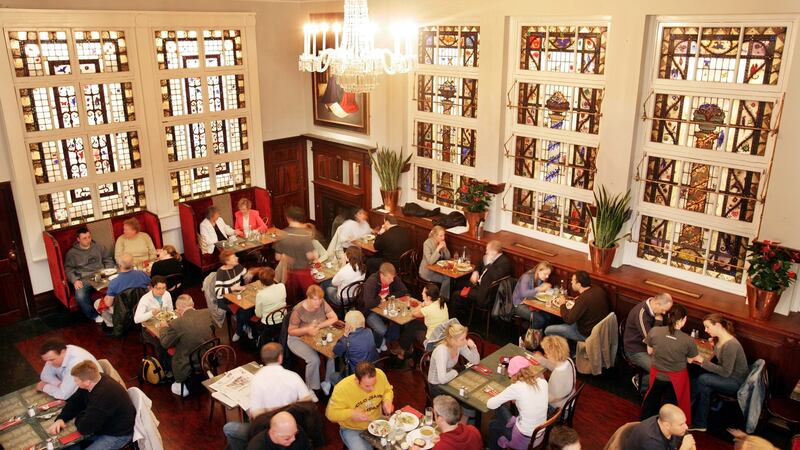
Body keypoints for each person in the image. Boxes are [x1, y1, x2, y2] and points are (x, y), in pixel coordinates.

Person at [224, 343, 315, 450]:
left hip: (265, 428)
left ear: (263, 359)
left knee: (229, 428)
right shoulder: (294, 377)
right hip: (291, 423)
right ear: (280, 358)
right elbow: (308, 402)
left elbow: (256, 415)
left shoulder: (257, 379)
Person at [47, 360, 136, 450]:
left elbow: (85, 428)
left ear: (87, 382)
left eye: (76, 380)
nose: (74, 382)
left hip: (117, 434)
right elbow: (75, 401)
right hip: (103, 426)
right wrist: (62, 418)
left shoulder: (103, 397)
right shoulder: (95, 379)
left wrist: (80, 416)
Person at [690, 313, 749, 432]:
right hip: (728, 376)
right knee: (702, 385)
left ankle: (688, 409)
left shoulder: (731, 345)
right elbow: (721, 359)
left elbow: (725, 372)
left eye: (707, 327)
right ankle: (699, 422)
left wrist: (702, 361)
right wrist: (713, 345)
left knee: (702, 379)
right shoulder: (721, 339)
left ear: (717, 325)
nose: (706, 330)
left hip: (735, 382)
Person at [641, 304, 698, 422]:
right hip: (676, 378)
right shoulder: (688, 340)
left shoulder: (655, 331)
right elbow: (690, 360)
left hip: (657, 374)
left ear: (668, 316)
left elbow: (650, 351)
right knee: (671, 405)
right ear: (683, 320)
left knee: (652, 399)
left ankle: (645, 422)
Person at [326, 361, 394, 450]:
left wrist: (387, 400)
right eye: (367, 386)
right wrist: (351, 413)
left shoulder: (380, 374)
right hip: (353, 429)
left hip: (377, 421)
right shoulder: (342, 388)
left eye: (374, 384)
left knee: (397, 441)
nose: (372, 389)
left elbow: (387, 390)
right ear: (357, 380)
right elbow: (330, 414)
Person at [487, 356, 549, 450]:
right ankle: (510, 422)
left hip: (523, 441)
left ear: (514, 374)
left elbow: (490, 404)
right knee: (501, 407)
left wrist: (501, 397)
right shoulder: (543, 382)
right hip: (539, 436)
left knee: (493, 424)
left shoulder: (516, 388)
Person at [287, 285, 339, 395]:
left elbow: (334, 318)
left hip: (315, 336)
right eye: (315, 299)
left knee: (331, 353)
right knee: (314, 360)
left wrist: (319, 326)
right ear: (308, 298)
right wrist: (307, 330)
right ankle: (309, 388)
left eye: (320, 299)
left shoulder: (322, 303)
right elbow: (291, 331)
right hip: (297, 339)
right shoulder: (298, 310)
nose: (318, 303)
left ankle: (328, 381)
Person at [159, 295, 214, 397]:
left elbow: (165, 343)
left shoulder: (177, 323)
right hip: (206, 355)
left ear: (178, 309)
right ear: (193, 304)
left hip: (188, 362)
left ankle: (181, 383)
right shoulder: (207, 312)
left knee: (169, 353)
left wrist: (163, 328)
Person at [624, 293, 673, 393]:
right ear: (657, 303)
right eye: (664, 310)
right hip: (635, 350)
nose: (664, 313)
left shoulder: (655, 310)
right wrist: (658, 322)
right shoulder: (641, 314)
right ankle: (641, 383)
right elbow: (651, 339)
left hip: (648, 348)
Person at [64, 227, 115, 322]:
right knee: (80, 295)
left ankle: (116, 310)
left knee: (118, 282)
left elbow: (108, 259)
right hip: (85, 279)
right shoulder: (72, 253)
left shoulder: (99, 246)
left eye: (89, 237)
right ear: (78, 239)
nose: (88, 240)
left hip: (102, 274)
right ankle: (94, 316)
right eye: (84, 238)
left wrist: (109, 270)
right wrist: (75, 280)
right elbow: (68, 269)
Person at [545, 271, 609, 343]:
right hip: (599, 331)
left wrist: (562, 304)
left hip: (586, 334)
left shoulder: (584, 298)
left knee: (548, 330)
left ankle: (565, 350)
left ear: (578, 285)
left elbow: (568, 320)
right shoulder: (598, 289)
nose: (571, 282)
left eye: (573, 281)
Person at [361, 262, 409, 349]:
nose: (392, 280)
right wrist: (380, 297)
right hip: (370, 311)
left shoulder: (392, 277)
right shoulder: (372, 282)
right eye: (389, 278)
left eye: (393, 278)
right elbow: (368, 304)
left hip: (385, 308)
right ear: (381, 275)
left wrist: (387, 297)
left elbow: (404, 290)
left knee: (399, 319)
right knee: (381, 330)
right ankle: (377, 345)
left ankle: (390, 340)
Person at [36, 338, 102, 400]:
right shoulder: (60, 352)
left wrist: (43, 387)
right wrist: (59, 384)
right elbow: (44, 375)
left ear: (63, 352)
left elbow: (63, 395)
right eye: (46, 361)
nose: (48, 363)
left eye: (51, 360)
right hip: (76, 391)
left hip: (91, 395)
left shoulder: (75, 364)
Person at [96, 253, 150, 327]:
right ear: (132, 263)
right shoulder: (143, 274)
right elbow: (150, 289)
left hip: (123, 311)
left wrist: (105, 298)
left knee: (97, 303)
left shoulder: (114, 283)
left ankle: (111, 324)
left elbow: (108, 304)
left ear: (119, 265)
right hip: (141, 305)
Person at [274, 206, 317, 298]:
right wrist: (315, 255)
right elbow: (310, 256)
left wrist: (288, 258)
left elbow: (277, 257)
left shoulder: (282, 234)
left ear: (288, 218)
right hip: (304, 272)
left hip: (289, 273)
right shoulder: (305, 234)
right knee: (310, 296)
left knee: (292, 298)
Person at [397, 283, 449, 359]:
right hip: (443, 334)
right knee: (415, 323)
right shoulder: (441, 301)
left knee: (411, 329)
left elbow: (413, 313)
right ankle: (406, 349)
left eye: (423, 292)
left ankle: (403, 350)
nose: (421, 293)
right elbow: (428, 306)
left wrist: (421, 304)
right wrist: (422, 303)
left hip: (433, 340)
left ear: (429, 297)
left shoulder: (428, 309)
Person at [411, 395, 482, 450]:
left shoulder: (440, 447)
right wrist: (442, 439)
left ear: (441, 419)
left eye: (434, 413)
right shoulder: (474, 430)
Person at [427, 322, 480, 395]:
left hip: (449, 378)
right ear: (452, 340)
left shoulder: (459, 345)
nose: (465, 341)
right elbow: (442, 380)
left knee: (472, 388)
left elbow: (475, 361)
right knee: (466, 395)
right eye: (462, 339)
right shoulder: (442, 351)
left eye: (465, 337)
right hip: (437, 386)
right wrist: (455, 372)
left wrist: (473, 347)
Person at [215, 250, 256, 342]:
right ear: (227, 262)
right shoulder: (221, 272)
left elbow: (246, 275)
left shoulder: (238, 266)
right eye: (234, 257)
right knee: (243, 310)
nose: (237, 258)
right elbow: (218, 291)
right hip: (224, 300)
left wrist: (250, 274)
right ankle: (242, 329)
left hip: (237, 297)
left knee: (250, 307)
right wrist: (232, 289)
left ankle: (242, 327)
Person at [463, 239, 512, 310]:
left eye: (487, 250)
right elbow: (479, 263)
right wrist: (475, 272)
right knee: (458, 283)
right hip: (479, 286)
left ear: (494, 252)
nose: (486, 252)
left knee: (456, 295)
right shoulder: (490, 257)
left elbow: (495, 277)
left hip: (485, 294)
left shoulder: (504, 263)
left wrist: (490, 264)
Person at [627, 404, 696, 450]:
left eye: (685, 422)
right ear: (667, 425)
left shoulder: (665, 420)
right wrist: (683, 448)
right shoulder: (651, 441)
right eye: (681, 424)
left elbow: (690, 441)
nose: (686, 427)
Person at [533, 335, 576, 410]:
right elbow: (555, 366)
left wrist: (541, 380)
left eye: (546, 353)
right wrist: (541, 359)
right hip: (568, 400)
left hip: (558, 409)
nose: (545, 355)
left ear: (554, 355)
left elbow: (547, 399)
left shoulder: (557, 377)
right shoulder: (569, 361)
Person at [332, 310, 378, 378]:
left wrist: (345, 335)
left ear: (348, 325)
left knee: (332, 376)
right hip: (372, 366)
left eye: (346, 322)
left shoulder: (347, 340)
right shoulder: (369, 331)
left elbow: (336, 351)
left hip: (356, 372)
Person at [512, 261, 555, 327]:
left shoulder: (540, 278)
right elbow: (524, 293)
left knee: (549, 317)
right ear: (539, 271)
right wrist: (540, 289)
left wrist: (548, 289)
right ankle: (532, 335)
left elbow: (537, 293)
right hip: (519, 304)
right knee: (540, 319)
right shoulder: (526, 277)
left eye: (548, 275)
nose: (547, 276)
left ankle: (540, 334)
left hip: (531, 302)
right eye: (545, 274)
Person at [246, 412, 312, 450]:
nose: (294, 439)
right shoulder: (256, 447)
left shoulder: (295, 430)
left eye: (295, 433)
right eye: (287, 438)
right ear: (273, 433)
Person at [419, 226, 452, 300]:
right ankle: (442, 300)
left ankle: (443, 298)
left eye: (444, 235)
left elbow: (448, 257)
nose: (443, 238)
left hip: (438, 270)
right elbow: (430, 262)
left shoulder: (441, 242)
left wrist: (445, 248)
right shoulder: (427, 243)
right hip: (427, 272)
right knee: (447, 278)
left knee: (449, 277)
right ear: (435, 236)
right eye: (441, 236)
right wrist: (438, 249)